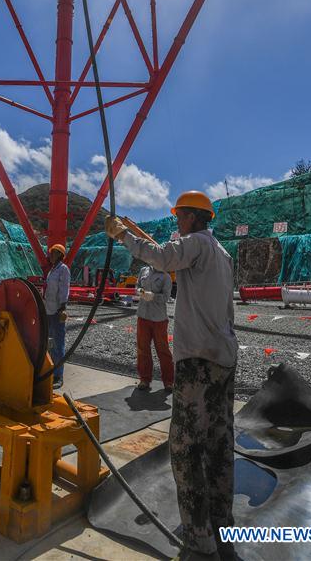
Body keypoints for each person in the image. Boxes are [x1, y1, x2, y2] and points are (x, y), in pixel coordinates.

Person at [106, 191, 238, 561]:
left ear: (194, 217)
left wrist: (122, 236)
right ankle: (221, 523)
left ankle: (198, 537)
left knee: (184, 448)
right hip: (224, 360)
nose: (176, 223)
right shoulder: (222, 255)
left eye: (180, 216)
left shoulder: (193, 243)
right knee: (219, 442)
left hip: (197, 360)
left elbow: (162, 257)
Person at [135, 264, 174, 392]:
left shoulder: (166, 277)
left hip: (159, 319)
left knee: (163, 350)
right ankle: (144, 379)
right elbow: (137, 287)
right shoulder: (143, 270)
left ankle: (169, 382)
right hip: (143, 316)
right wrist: (140, 292)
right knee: (142, 348)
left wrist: (152, 296)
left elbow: (166, 297)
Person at [44, 243, 70, 389]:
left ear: (60, 255)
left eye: (53, 253)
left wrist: (62, 307)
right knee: (48, 342)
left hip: (57, 310)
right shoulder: (52, 270)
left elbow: (64, 289)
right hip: (48, 310)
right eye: (51, 253)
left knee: (58, 343)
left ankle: (58, 375)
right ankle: (49, 370)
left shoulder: (63, 269)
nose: (51, 255)